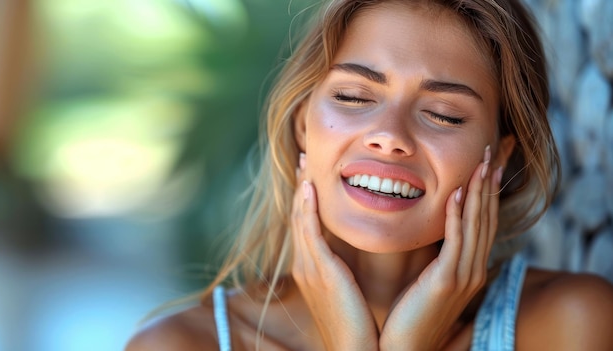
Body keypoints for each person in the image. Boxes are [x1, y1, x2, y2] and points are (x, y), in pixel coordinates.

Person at [126, 0, 613, 349]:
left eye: (444, 113)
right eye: (354, 97)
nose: (388, 135)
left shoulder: (569, 324)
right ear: (302, 125)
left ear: (499, 156)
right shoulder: (179, 345)